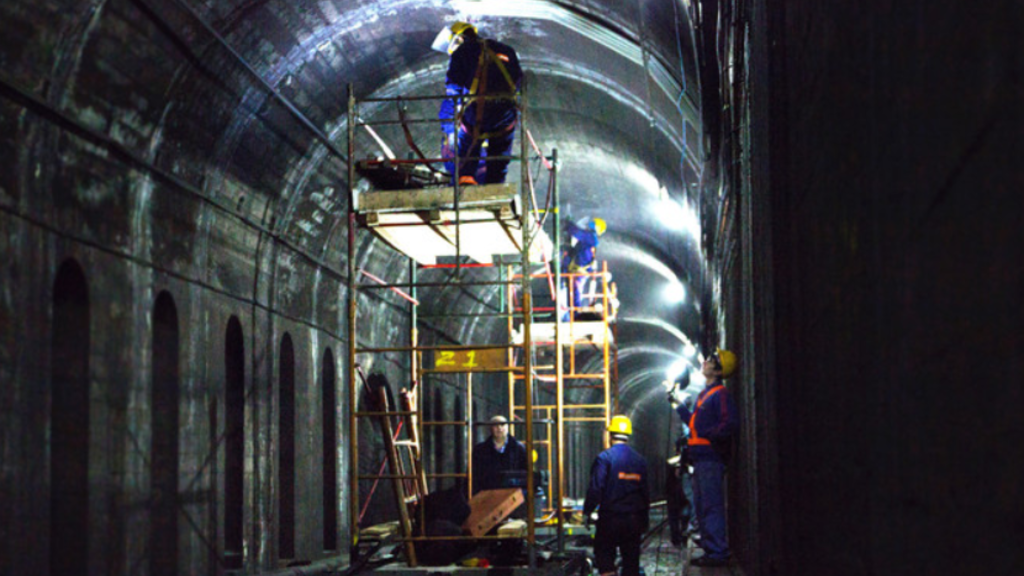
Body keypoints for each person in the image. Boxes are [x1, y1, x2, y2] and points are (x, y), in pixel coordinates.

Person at [432, 21, 522, 185]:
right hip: (506, 113)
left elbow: (453, 85)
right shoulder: (507, 50)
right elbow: (519, 82)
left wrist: (457, 107)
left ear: (459, 39)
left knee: (468, 148)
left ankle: (465, 185)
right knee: (499, 155)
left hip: (479, 110)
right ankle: (495, 189)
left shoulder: (463, 51)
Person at [674, 349, 739, 567]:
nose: (705, 363)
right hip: (700, 460)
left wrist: (710, 435)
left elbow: (729, 423)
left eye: (711, 361)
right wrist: (677, 405)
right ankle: (711, 549)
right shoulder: (704, 395)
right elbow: (693, 423)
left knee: (711, 506)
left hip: (711, 458)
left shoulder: (720, 394)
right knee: (702, 507)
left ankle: (718, 552)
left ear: (718, 370)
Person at [582, 415, 650, 576]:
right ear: (628, 435)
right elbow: (645, 493)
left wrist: (587, 511)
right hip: (633, 519)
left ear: (610, 435)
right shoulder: (640, 461)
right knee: (631, 561)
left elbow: (596, 488)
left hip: (610, 519)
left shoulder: (605, 458)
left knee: (605, 557)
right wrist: (644, 520)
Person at [561, 217, 606, 320]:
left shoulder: (590, 236)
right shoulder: (590, 238)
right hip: (578, 270)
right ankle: (574, 314)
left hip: (579, 271)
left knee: (574, 292)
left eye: (590, 224)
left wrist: (568, 224)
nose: (587, 225)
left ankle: (575, 316)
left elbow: (577, 233)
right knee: (572, 293)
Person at [471, 415, 528, 496]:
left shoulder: (519, 448)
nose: (499, 428)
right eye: (495, 425)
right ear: (490, 428)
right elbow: (475, 476)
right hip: (488, 494)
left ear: (508, 427)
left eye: (502, 424)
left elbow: (526, 473)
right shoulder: (480, 450)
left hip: (513, 494)